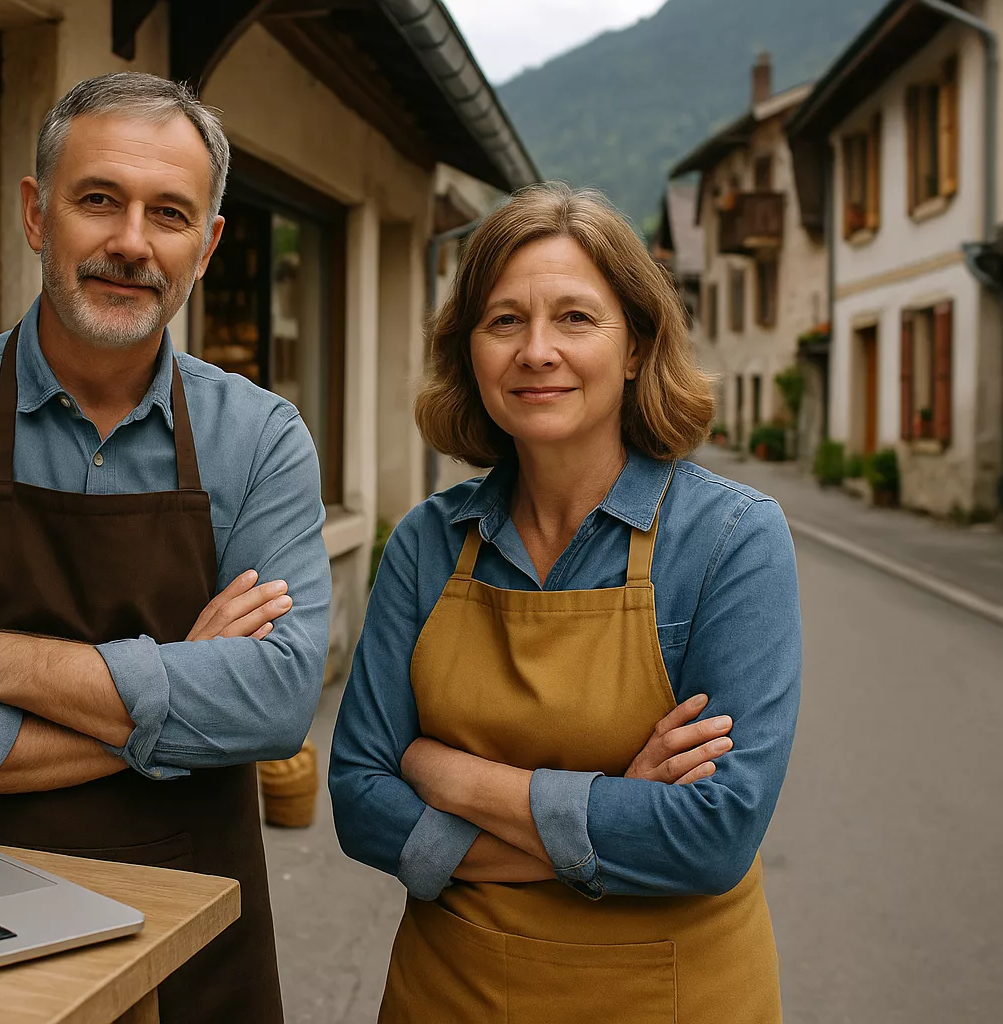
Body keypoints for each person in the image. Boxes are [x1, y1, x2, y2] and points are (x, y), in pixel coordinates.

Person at [0, 73, 331, 1023]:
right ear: (36, 213)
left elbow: (278, 701)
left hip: (193, 937)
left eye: (169, 213)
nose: (132, 242)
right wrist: (173, 700)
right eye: (100, 200)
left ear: (205, 247)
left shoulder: (261, 438)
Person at [330, 182, 800, 1023]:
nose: (536, 350)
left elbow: (713, 834)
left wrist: (456, 776)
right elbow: (361, 801)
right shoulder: (426, 544)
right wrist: (611, 807)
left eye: (576, 318)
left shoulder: (731, 540)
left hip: (671, 995)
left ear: (634, 348)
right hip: (448, 994)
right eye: (504, 320)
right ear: (469, 349)